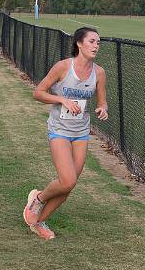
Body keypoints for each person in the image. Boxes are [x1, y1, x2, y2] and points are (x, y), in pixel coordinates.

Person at [23, 27, 109, 240]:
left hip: (81, 132)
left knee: (68, 186)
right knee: (68, 180)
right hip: (59, 129)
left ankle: (39, 221)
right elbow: (38, 93)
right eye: (91, 41)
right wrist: (62, 99)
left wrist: (103, 109)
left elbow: (102, 101)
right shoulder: (63, 67)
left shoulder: (99, 72)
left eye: (98, 42)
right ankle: (39, 199)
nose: (96, 45)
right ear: (79, 44)